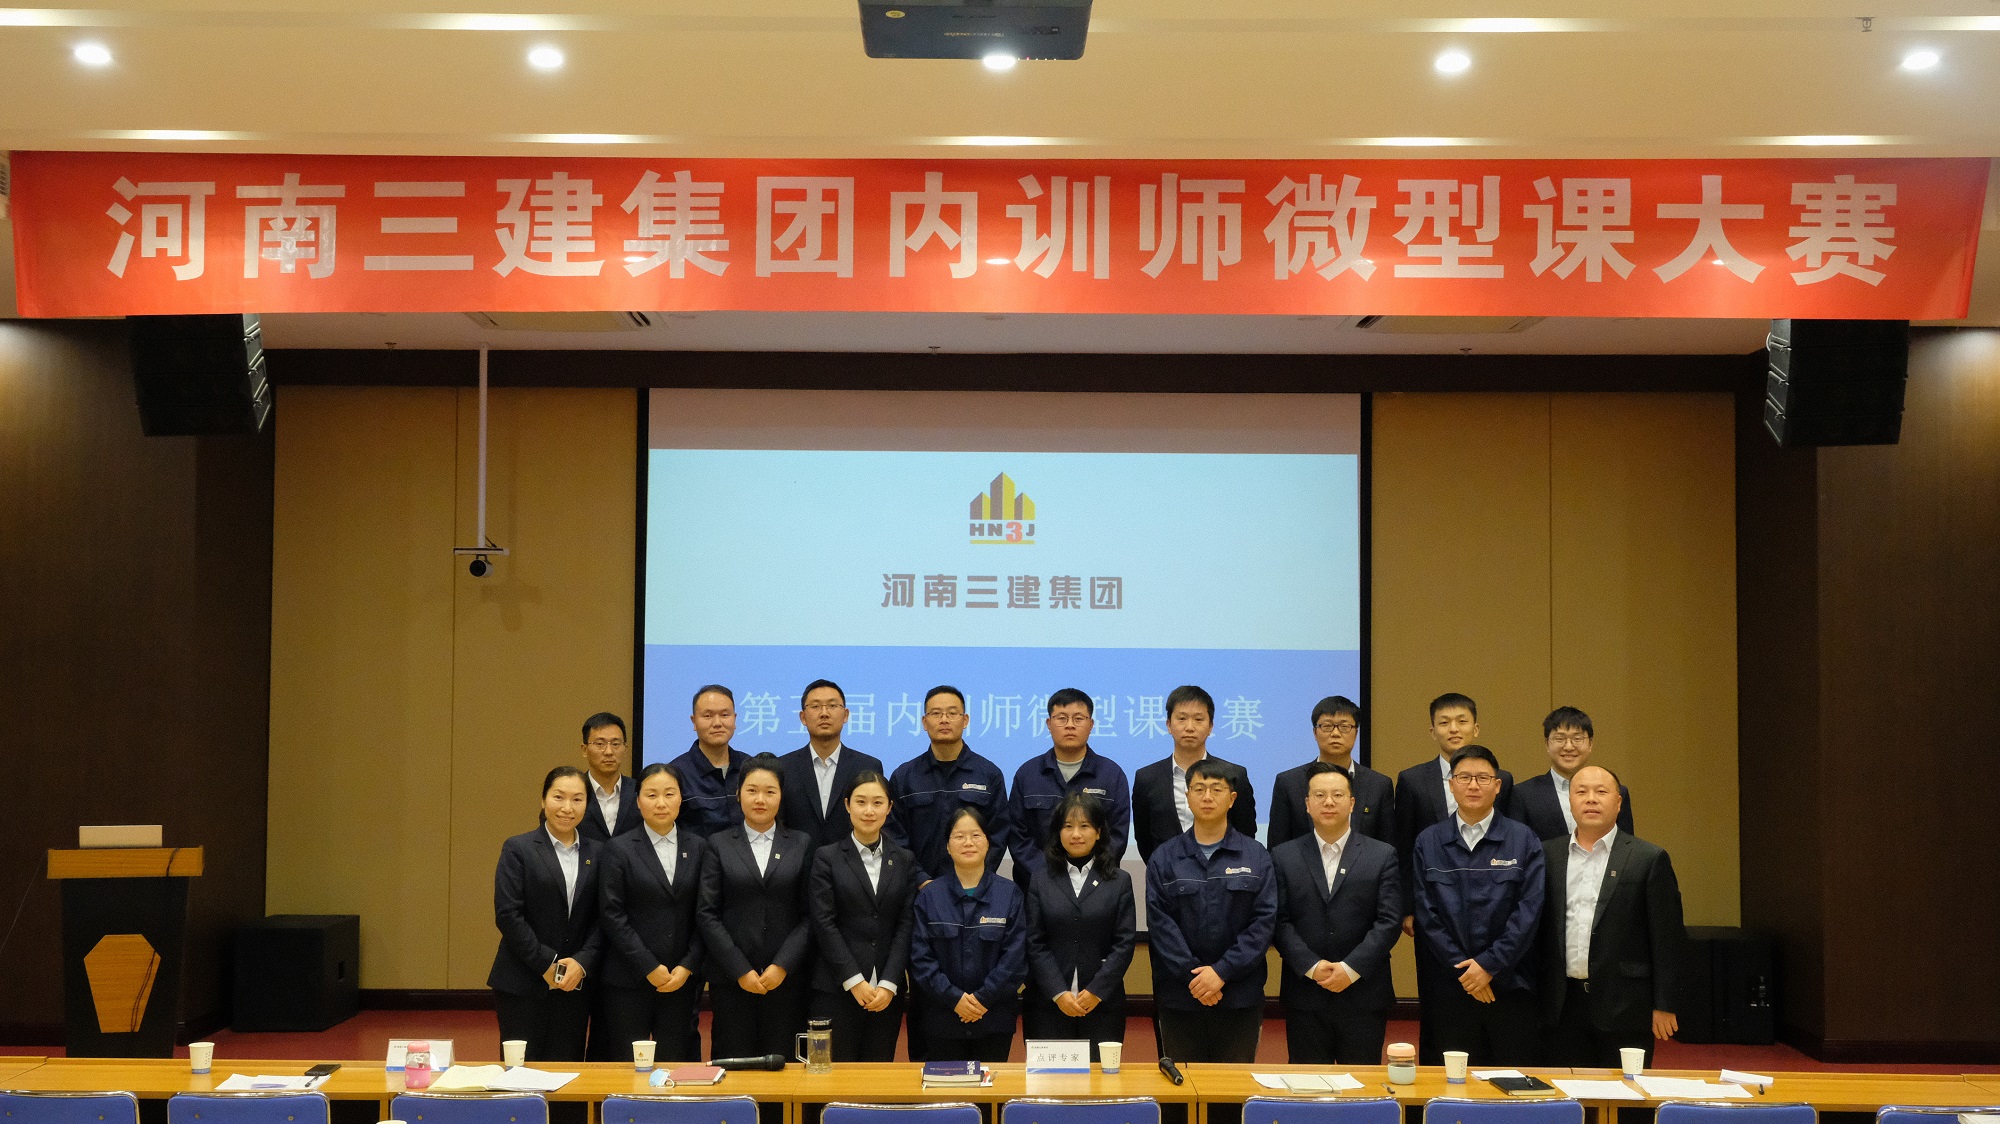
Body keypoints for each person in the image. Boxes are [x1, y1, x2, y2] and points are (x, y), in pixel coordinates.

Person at [1540, 764, 1684, 1067]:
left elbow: (1668, 938)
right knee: (1564, 1090)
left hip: (1626, 1005)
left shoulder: (1648, 858)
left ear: (1618, 803)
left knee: (1626, 1092)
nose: (1591, 799)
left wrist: (1665, 1004)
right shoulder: (1547, 855)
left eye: (1601, 792)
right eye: (1581, 792)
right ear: (1570, 801)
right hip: (1562, 1004)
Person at [1411, 745, 1545, 1066]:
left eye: (1483, 778)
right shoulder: (1428, 841)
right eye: (1464, 777)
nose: (1473, 785)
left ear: (1497, 785)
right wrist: (1467, 971)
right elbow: (1426, 915)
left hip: (1509, 986)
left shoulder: (1523, 839)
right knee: (1449, 1083)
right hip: (1450, 988)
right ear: (1451, 784)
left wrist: (1489, 966)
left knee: (1510, 1081)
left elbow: (1529, 911)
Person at [1144, 757, 1277, 1062]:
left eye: (1217, 789)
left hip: (1239, 996)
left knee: (1232, 1085)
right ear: (1187, 796)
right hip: (1181, 996)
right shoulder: (1165, 857)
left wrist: (1221, 972)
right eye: (1199, 789)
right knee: (1181, 1082)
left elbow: (1263, 922)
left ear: (1232, 798)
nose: (1207, 797)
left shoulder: (1256, 856)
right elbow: (1160, 924)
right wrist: (1196, 978)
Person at [1271, 763, 1403, 1064]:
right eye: (1319, 795)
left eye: (1337, 795)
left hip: (1364, 993)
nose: (1328, 802)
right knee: (1307, 1085)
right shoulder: (1284, 855)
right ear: (1307, 804)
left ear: (1352, 803)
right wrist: (1312, 966)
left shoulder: (1382, 855)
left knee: (1362, 1085)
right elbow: (1279, 920)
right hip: (1305, 993)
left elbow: (1389, 921)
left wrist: (1350, 968)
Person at [695, 753, 814, 1058]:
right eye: (752, 790)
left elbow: (810, 914)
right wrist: (740, 970)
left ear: (781, 796)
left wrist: (781, 965)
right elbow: (707, 913)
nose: (760, 799)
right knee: (733, 1063)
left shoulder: (801, 843)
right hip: (731, 980)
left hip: (786, 980)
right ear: (738, 794)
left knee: (785, 1065)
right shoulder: (718, 844)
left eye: (769, 791)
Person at [596, 762, 708, 1063]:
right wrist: (648, 966)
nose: (661, 803)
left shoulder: (699, 847)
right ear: (637, 800)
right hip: (628, 978)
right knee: (626, 1065)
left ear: (681, 798)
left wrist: (687, 966)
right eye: (651, 795)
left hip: (680, 979)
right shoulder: (618, 849)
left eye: (669, 794)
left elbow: (705, 913)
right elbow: (612, 914)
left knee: (675, 1064)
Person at [487, 766, 602, 1062]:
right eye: (558, 797)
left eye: (577, 799)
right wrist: (547, 964)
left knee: (567, 1070)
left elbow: (604, 918)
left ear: (587, 805)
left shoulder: (600, 853)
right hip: (522, 982)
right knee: (520, 1073)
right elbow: (508, 915)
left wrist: (581, 962)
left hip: (575, 984)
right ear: (543, 800)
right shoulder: (518, 848)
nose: (567, 807)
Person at [807, 770, 919, 1062]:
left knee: (878, 1078)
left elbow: (906, 924)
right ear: (847, 805)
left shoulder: (904, 859)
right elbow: (824, 923)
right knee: (831, 1077)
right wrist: (854, 980)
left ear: (889, 807)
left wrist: (890, 983)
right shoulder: (826, 857)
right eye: (861, 802)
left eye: (878, 803)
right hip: (836, 988)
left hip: (886, 993)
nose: (869, 810)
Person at [907, 806, 1029, 1063]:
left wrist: (983, 999)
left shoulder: (1010, 894)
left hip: (994, 1018)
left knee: (991, 1087)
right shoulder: (930, 896)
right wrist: (955, 999)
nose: (968, 843)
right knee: (945, 1088)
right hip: (942, 1019)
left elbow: (1015, 959)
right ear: (947, 846)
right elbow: (920, 959)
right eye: (959, 836)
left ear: (988, 842)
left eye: (975, 835)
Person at [1023, 791, 1137, 1062]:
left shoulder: (1119, 881)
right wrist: (1058, 992)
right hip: (1049, 1004)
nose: (1076, 834)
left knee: (1100, 1082)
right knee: (1050, 1084)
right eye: (1068, 826)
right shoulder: (1040, 879)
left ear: (1098, 832)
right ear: (1058, 833)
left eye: (1085, 826)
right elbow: (1035, 942)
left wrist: (1097, 991)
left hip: (1102, 1004)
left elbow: (1124, 943)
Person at [887, 686, 1013, 881]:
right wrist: (920, 880)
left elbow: (999, 834)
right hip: (918, 889)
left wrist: (974, 879)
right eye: (936, 713)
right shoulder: (904, 777)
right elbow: (895, 838)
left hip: (975, 888)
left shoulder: (988, 774)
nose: (944, 720)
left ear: (965, 720)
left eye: (952, 713)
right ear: (924, 722)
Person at [1007, 689, 1132, 881]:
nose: (1070, 725)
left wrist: (1084, 877)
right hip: (1037, 886)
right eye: (1062, 718)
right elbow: (1018, 836)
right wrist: (1049, 877)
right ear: (1049, 724)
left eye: (1078, 719)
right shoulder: (1028, 774)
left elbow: (1117, 835)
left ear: (1091, 724)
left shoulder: (1112, 775)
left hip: (1096, 885)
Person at [1133, 685, 1258, 862]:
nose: (1190, 727)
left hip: (1223, 872)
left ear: (1210, 726)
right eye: (1182, 719)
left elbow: (1246, 833)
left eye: (1198, 719)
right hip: (1167, 873)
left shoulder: (1235, 775)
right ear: (1169, 725)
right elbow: (1144, 839)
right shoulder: (1147, 778)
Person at [1268, 695, 1395, 849]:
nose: (1335, 733)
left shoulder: (1379, 785)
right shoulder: (1289, 782)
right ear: (1315, 732)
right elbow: (1278, 847)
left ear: (1356, 732)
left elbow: (1387, 847)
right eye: (1327, 726)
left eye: (1344, 726)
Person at [779, 679, 885, 851]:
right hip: (796, 864)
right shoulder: (783, 767)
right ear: (803, 717)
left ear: (845, 715)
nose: (824, 713)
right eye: (815, 706)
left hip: (852, 863)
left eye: (832, 706)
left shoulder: (867, 766)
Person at [1507, 706, 1635, 842]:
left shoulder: (1616, 792)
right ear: (1547, 744)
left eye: (1577, 739)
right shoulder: (1523, 794)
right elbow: (1517, 845)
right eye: (1559, 739)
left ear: (1590, 743)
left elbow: (1626, 844)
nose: (1568, 747)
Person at [670, 685, 750, 839]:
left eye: (725, 715)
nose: (717, 723)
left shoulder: (750, 768)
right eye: (708, 716)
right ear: (694, 721)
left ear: (734, 719)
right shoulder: (676, 773)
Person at [577, 712, 642, 842]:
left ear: (625, 749)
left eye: (615, 744)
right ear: (584, 750)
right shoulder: (573, 791)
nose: (608, 752)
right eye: (600, 744)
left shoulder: (640, 791)